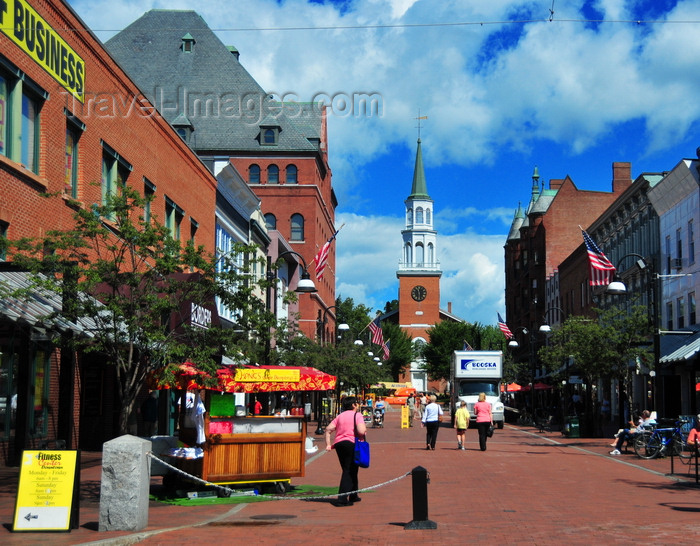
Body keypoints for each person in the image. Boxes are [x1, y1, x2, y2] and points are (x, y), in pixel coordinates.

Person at [324, 396, 367, 506]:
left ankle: (353, 494)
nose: (358, 405)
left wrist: (328, 444)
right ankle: (342, 499)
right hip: (351, 443)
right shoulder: (357, 415)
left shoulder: (339, 416)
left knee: (351, 468)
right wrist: (364, 431)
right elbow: (361, 431)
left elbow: (328, 429)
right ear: (353, 405)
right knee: (349, 470)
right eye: (357, 403)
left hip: (339, 444)